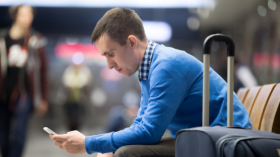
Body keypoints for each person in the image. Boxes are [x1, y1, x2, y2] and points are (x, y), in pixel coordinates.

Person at [50, 8, 252, 157]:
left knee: (126, 154)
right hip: (202, 137)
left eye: (111, 54)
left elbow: (149, 132)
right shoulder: (149, 68)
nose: (109, 65)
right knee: (119, 150)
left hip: (225, 142)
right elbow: (142, 124)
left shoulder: (166, 66)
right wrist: (108, 146)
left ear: (131, 42)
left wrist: (88, 143)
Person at [0, 5, 48, 157]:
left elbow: (43, 71)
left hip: (25, 92)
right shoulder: (3, 38)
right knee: (3, 134)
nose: (27, 18)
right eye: (23, 14)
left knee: (20, 132)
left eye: (30, 14)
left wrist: (43, 98)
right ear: (15, 16)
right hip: (3, 92)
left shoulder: (36, 40)